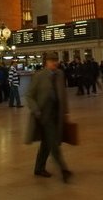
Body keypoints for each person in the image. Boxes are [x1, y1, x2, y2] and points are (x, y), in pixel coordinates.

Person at [24, 52, 72, 183]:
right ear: (46, 62)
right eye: (52, 60)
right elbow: (29, 95)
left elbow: (63, 95)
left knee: (46, 143)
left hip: (57, 115)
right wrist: (36, 110)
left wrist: (66, 113)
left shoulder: (60, 74)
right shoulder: (39, 76)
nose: (54, 63)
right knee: (53, 143)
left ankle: (38, 168)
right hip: (44, 116)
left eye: (56, 60)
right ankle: (64, 170)